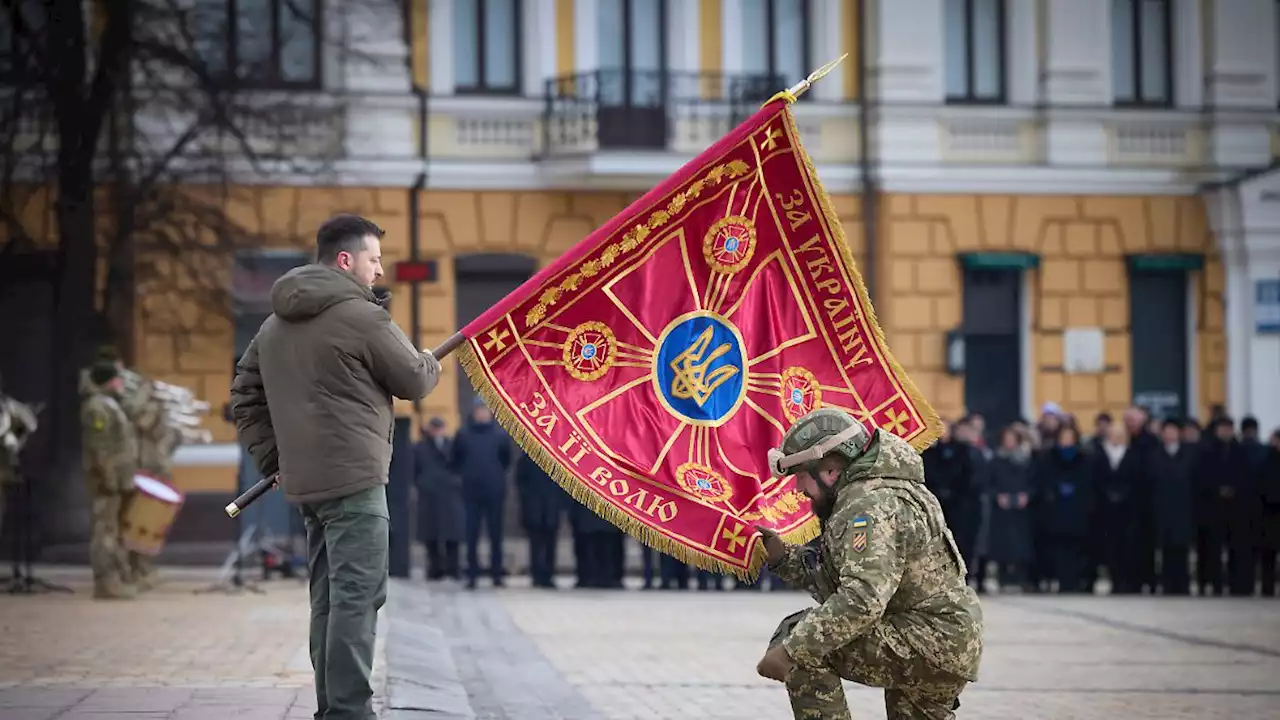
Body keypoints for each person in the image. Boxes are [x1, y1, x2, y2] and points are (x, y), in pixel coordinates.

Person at [230, 214, 441, 720]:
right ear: (346, 261)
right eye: (374, 260)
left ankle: (334, 707)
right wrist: (430, 360)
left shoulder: (273, 323)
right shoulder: (361, 316)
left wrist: (275, 460)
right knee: (358, 597)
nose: (380, 272)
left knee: (328, 598)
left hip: (308, 486)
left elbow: (244, 396)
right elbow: (413, 380)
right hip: (356, 482)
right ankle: (347, 711)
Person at [754, 408, 983, 720]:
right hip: (941, 639)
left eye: (802, 476)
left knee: (801, 640)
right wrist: (783, 558)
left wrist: (792, 651)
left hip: (928, 641)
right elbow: (842, 579)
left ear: (831, 469)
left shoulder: (869, 506)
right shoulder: (880, 489)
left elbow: (862, 599)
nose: (798, 489)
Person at [80, 362, 138, 600]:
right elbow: (99, 448)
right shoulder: (97, 408)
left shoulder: (111, 404)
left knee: (112, 531)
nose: (121, 383)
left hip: (118, 481)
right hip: (107, 482)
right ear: (110, 380)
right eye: (118, 379)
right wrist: (109, 478)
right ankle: (105, 583)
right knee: (104, 531)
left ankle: (115, 580)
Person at [451, 397, 513, 589]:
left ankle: (496, 573)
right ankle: (472, 574)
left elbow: (506, 460)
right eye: (479, 410)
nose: (482, 413)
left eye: (485, 410)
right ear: (474, 412)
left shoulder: (500, 435)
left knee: (496, 534)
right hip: (471, 492)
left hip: (494, 491)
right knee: (471, 534)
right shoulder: (463, 434)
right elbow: (456, 460)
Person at [413, 417, 462, 581]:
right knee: (431, 536)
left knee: (452, 535)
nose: (437, 432)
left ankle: (453, 568)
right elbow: (415, 470)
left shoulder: (452, 445)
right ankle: (435, 569)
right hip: (429, 497)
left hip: (450, 496)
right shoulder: (421, 447)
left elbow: (459, 465)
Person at [986, 426, 1034, 591]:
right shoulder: (996, 460)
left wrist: (1027, 495)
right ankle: (1003, 578)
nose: (1009, 442)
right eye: (1007, 438)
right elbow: (988, 483)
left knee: (1020, 545)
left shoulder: (1026, 461)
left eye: (1012, 438)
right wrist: (998, 496)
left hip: (1022, 510)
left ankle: (1020, 578)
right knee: (1002, 545)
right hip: (1001, 511)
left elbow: (1033, 482)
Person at [515, 451, 566, 589]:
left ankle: (546, 575)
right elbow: (520, 481)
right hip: (539, 506)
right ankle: (539, 575)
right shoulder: (529, 457)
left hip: (546, 506)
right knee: (538, 543)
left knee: (547, 543)